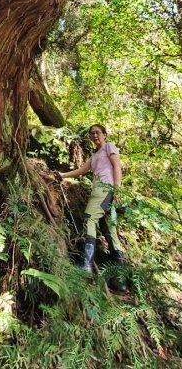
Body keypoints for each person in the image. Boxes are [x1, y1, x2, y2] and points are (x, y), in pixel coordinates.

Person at [57, 124, 126, 289]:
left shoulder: (110, 147)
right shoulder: (95, 155)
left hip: (105, 190)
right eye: (92, 133)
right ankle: (120, 280)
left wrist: (116, 190)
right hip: (101, 192)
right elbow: (81, 170)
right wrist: (62, 175)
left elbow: (117, 166)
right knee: (110, 232)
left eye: (98, 132)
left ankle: (86, 265)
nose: (95, 135)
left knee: (89, 218)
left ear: (104, 134)